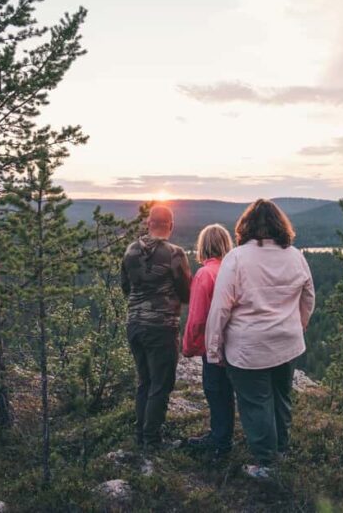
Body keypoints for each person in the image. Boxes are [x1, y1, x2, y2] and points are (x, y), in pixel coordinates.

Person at [205, 199, 315, 478]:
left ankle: (266, 465)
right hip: (287, 343)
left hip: (249, 348)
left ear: (246, 226)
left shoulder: (237, 258)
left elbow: (220, 308)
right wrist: (299, 325)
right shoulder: (295, 255)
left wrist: (213, 349)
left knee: (256, 403)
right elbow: (308, 297)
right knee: (281, 398)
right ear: (281, 225)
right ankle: (280, 450)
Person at [121, 205, 192, 450]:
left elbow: (125, 288)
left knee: (145, 381)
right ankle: (152, 441)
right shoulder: (175, 254)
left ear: (148, 223)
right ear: (170, 226)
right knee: (161, 384)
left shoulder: (130, 251)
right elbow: (186, 292)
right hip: (161, 327)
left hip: (134, 325)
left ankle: (141, 435)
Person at [182, 224, 236, 459]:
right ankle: (220, 435)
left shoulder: (205, 274)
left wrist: (189, 346)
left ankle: (220, 442)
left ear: (203, 246)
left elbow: (197, 317)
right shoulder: (232, 269)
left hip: (213, 344)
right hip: (236, 341)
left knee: (215, 391)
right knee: (227, 392)